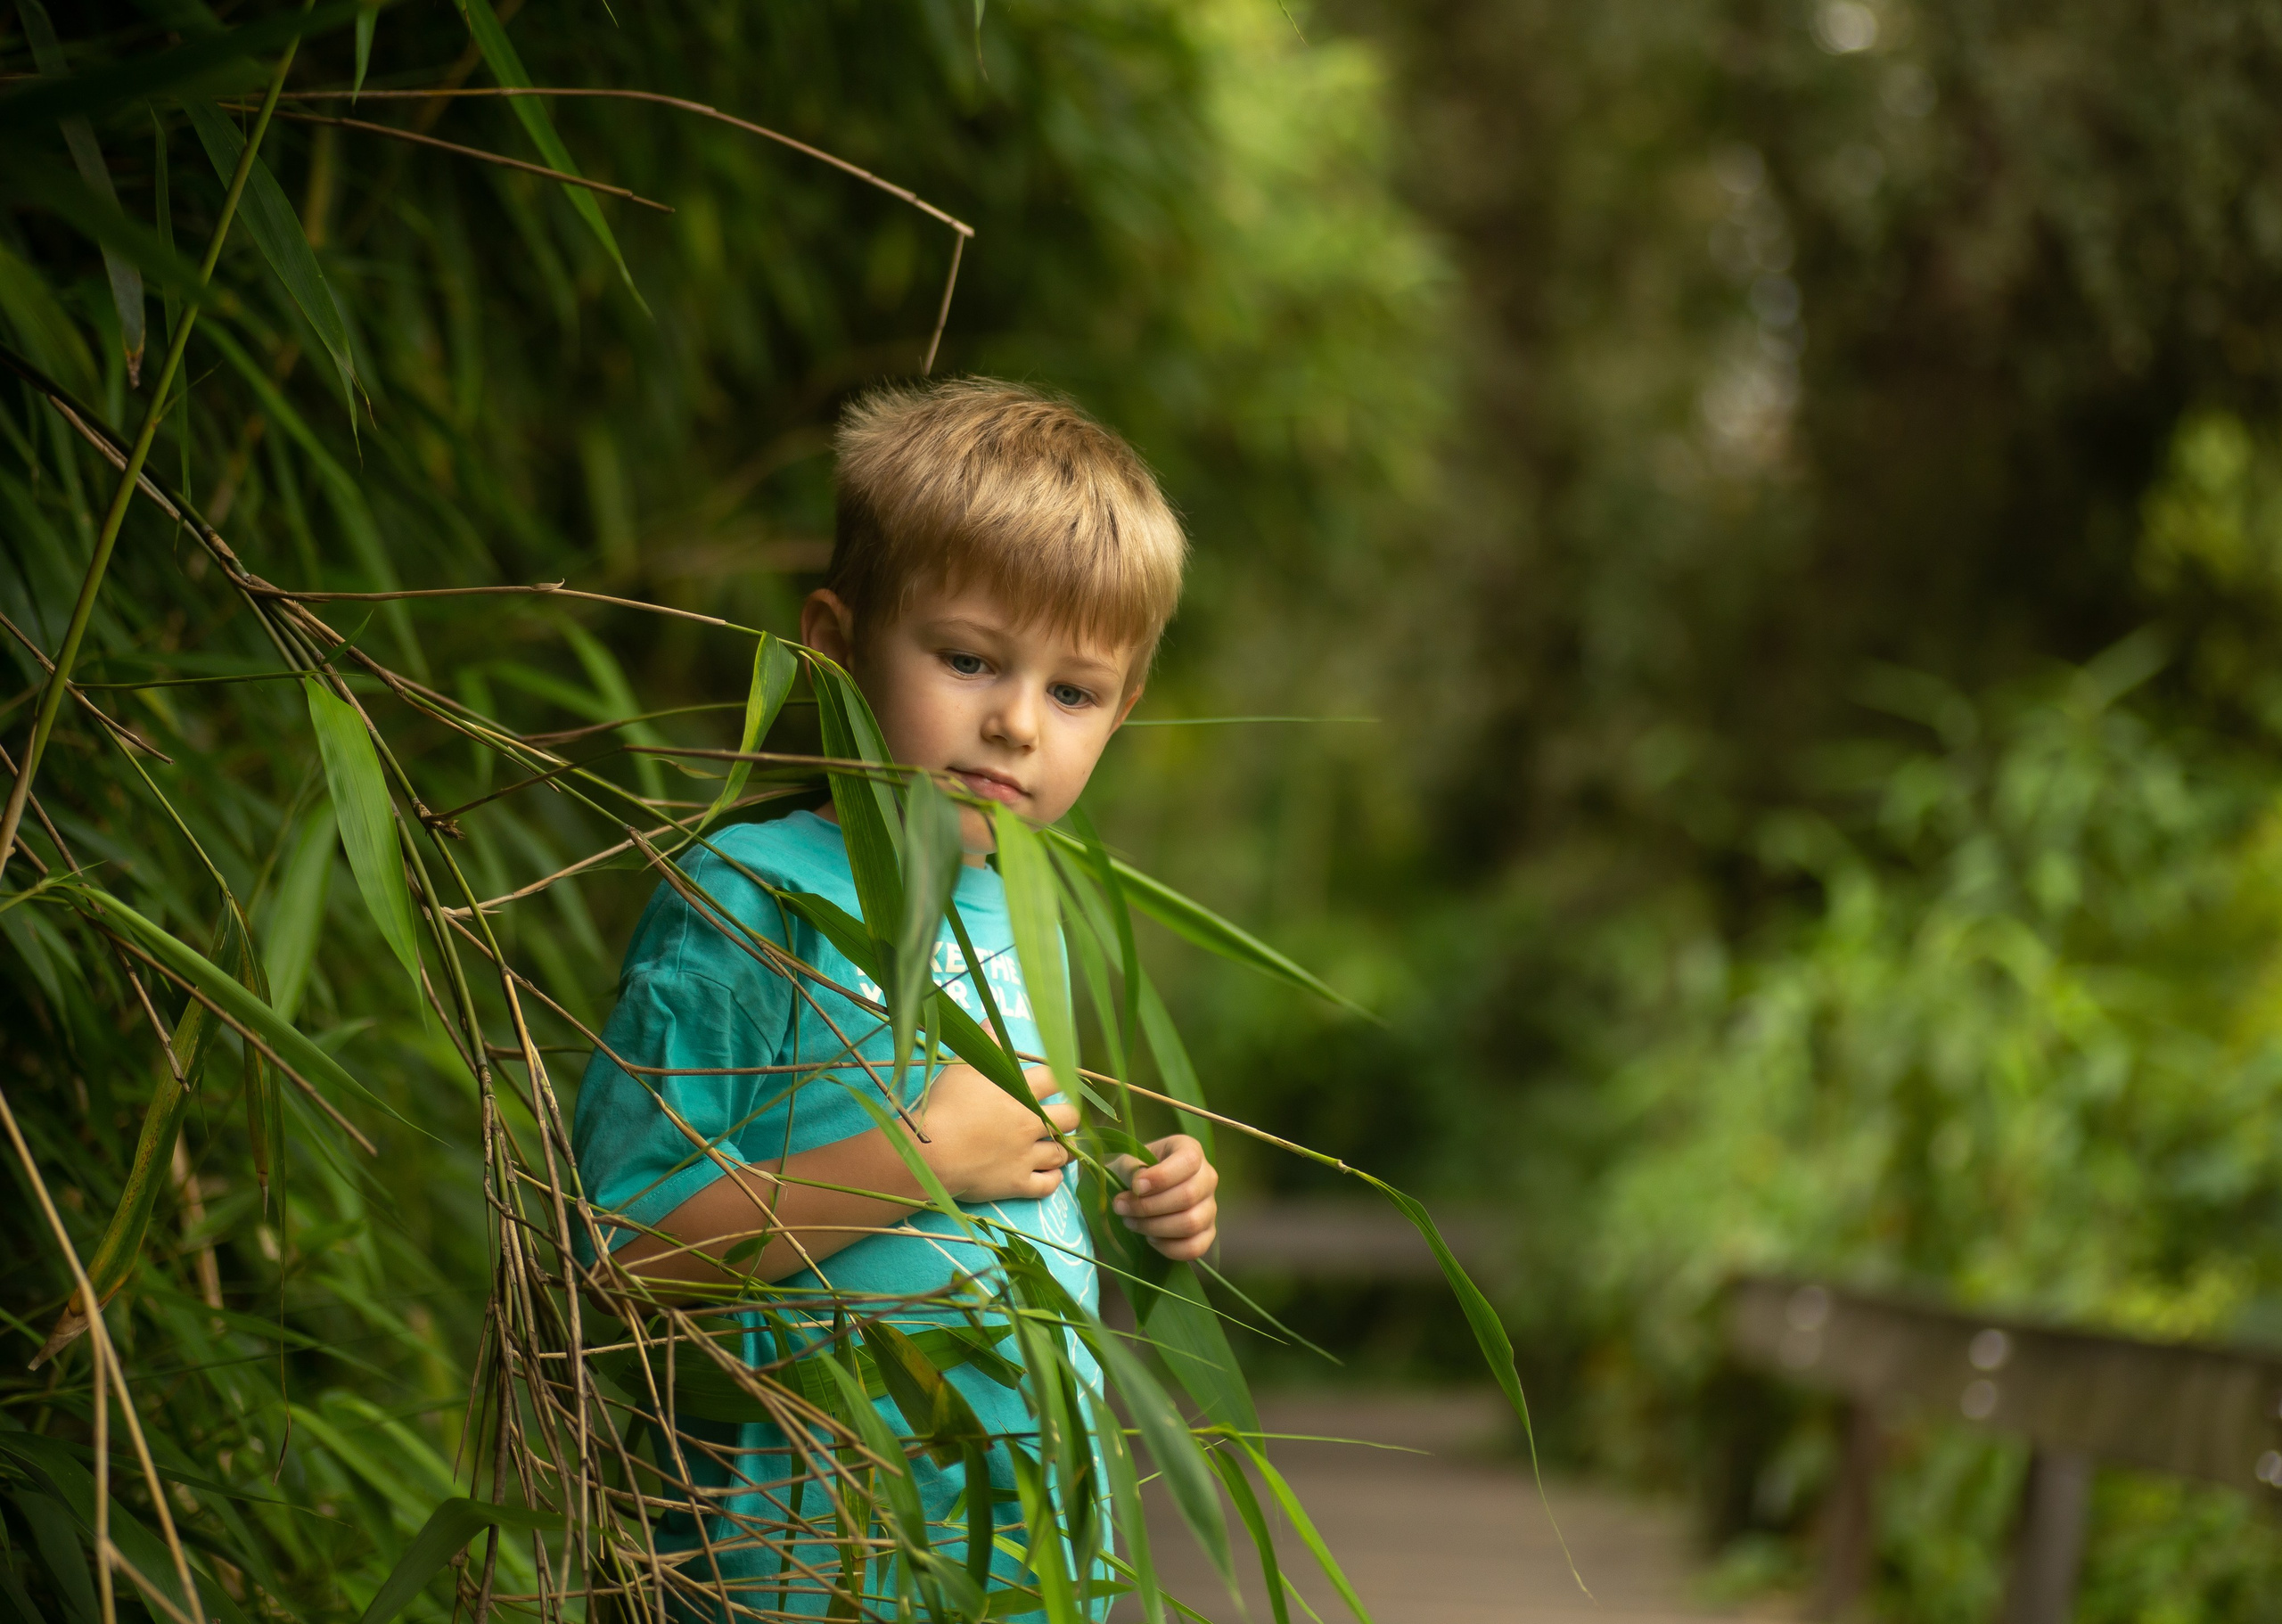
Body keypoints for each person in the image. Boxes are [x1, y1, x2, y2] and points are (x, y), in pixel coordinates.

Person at [571, 378, 1220, 1620]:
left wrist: (1153, 1199)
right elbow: (620, 1264)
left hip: (1020, 1568)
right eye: (970, 658)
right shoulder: (743, 903)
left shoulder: (1041, 919)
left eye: (1074, 691)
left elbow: (1017, 1188)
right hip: (803, 1569)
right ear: (835, 640)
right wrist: (917, 1156)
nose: (1018, 721)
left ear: (1121, 710)